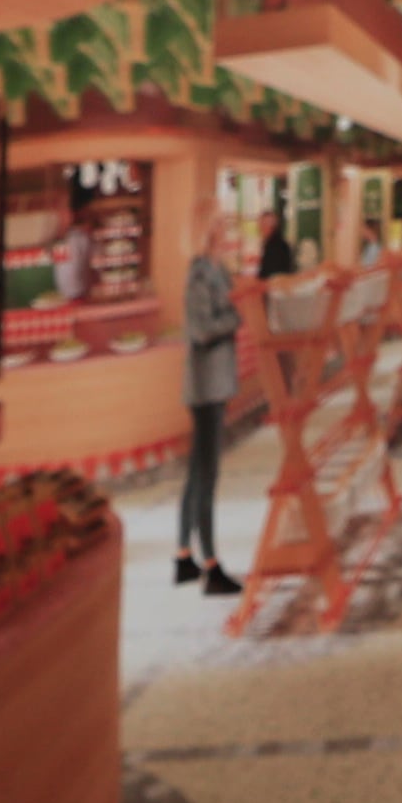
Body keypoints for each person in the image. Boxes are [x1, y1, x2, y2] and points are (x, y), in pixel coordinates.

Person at [175, 211, 243, 595]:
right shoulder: (200, 274)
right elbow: (201, 329)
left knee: (197, 471)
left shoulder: (220, 270)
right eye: (220, 226)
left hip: (214, 381)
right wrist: (235, 319)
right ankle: (212, 565)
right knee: (207, 474)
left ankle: (184, 556)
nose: (227, 232)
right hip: (205, 386)